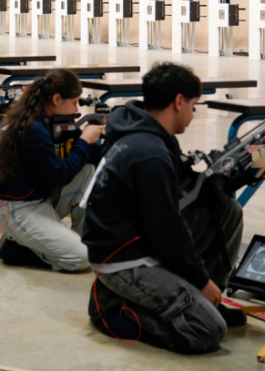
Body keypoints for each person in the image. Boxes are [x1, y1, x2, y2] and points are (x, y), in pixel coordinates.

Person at [82, 62, 245, 354]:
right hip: (125, 259)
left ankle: (206, 302)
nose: (194, 115)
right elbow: (167, 231)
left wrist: (233, 175)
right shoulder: (150, 152)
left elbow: (182, 194)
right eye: (194, 106)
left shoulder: (146, 134)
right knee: (208, 331)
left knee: (226, 211)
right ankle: (112, 311)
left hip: (131, 240)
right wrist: (201, 280)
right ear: (179, 101)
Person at [0, 69, 102, 273]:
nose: (76, 108)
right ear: (57, 98)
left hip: (41, 200)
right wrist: (85, 141)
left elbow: (88, 159)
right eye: (74, 102)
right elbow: (60, 175)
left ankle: (77, 238)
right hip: (17, 209)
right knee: (80, 259)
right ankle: (14, 251)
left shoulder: (47, 119)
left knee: (88, 171)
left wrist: (94, 141)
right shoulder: (35, 129)